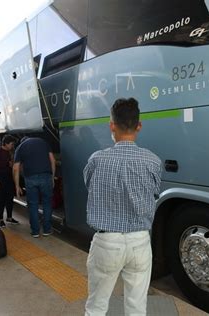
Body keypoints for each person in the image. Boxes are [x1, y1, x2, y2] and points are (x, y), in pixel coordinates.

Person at [83, 98, 162, 315]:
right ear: (139, 126)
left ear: (112, 125)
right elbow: (154, 191)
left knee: (96, 306)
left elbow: (90, 185)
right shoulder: (153, 161)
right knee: (137, 307)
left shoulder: (96, 160)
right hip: (140, 242)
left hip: (107, 242)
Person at [13, 136, 55, 238]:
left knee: (33, 205)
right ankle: (47, 230)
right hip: (45, 176)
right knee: (47, 203)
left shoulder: (20, 147)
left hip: (30, 178)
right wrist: (52, 177)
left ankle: (35, 231)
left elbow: (15, 168)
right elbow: (52, 160)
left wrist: (17, 185)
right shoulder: (42, 141)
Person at [0, 134, 19, 228]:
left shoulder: (11, 152)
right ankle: (0, 219)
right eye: (11, 144)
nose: (12, 146)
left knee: (10, 198)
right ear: (6, 143)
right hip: (0, 179)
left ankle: (9, 217)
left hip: (9, 178)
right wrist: (7, 164)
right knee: (1, 200)